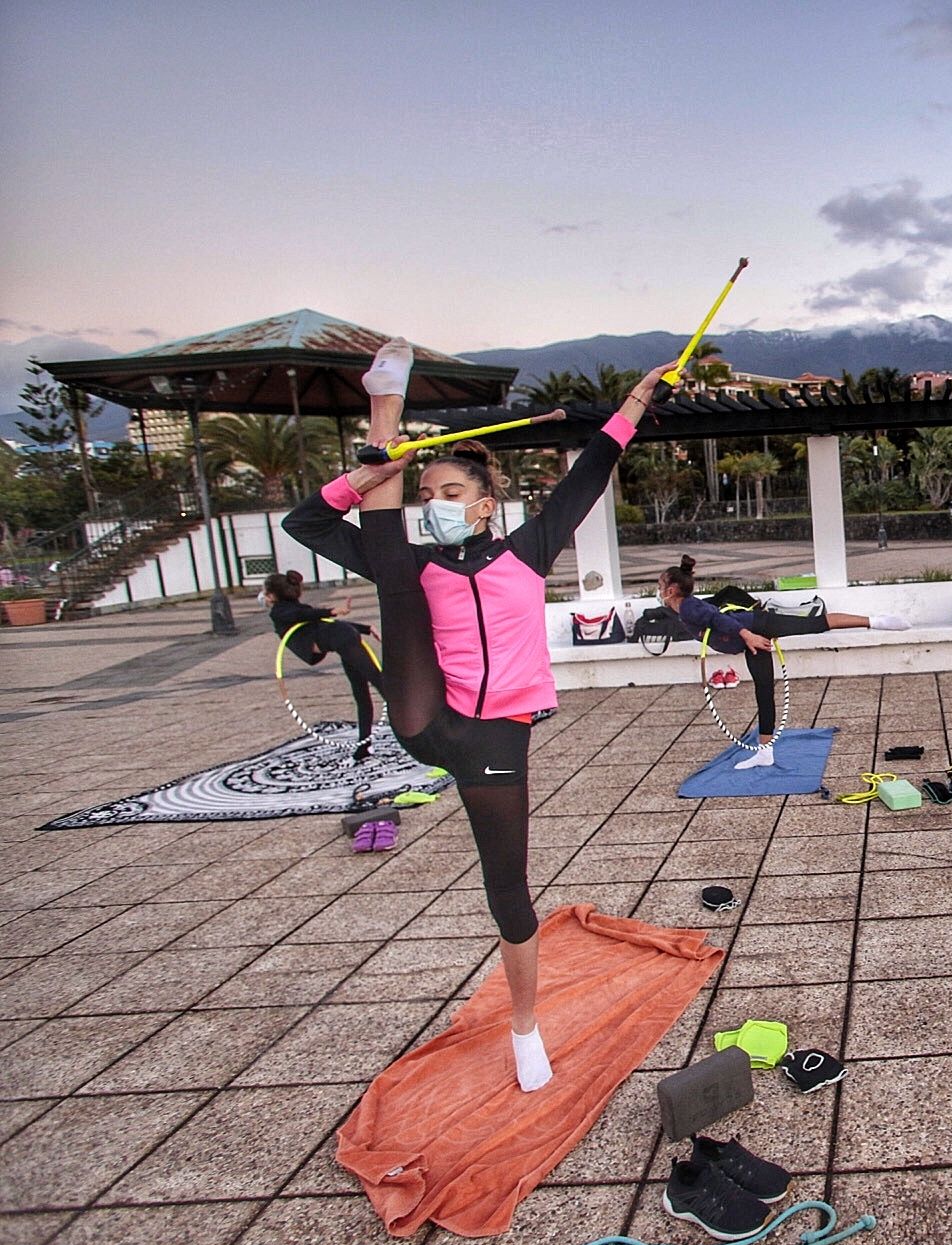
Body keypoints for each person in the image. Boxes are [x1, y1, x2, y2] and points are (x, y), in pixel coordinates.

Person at [284, 341, 679, 1093]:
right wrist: (372, 471)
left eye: (447, 490)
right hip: (426, 713)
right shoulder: (415, 560)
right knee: (399, 574)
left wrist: (635, 402)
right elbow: (305, 522)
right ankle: (385, 414)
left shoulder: (526, 552)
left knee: (509, 888)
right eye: (422, 487)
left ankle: (524, 1027)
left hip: (495, 739)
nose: (432, 500)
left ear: (484, 504)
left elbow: (590, 471)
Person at [655, 556, 908, 769]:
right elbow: (717, 612)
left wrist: (747, 635)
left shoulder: (687, 608)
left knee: (816, 624)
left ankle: (877, 621)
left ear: (670, 591)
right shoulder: (686, 607)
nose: (658, 589)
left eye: (659, 584)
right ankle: (765, 753)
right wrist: (747, 639)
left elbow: (718, 620)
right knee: (763, 690)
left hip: (757, 628)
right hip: (751, 641)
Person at [260, 570, 387, 762]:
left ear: (271, 595)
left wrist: (355, 624)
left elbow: (318, 619)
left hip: (342, 638)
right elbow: (314, 618)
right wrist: (360, 626)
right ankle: (363, 746)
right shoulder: (288, 611)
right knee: (361, 694)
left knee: (383, 686)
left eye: (265, 592)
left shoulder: (282, 611)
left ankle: (424, 730)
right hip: (342, 639)